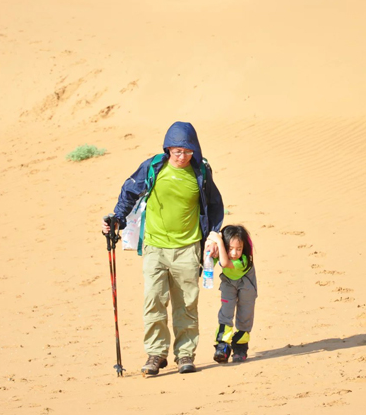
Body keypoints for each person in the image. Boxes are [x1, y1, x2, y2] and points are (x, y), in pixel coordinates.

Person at [102, 121, 224, 375]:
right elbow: (129, 192)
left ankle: (185, 355)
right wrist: (117, 219)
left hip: (188, 248)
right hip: (155, 247)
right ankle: (156, 354)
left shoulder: (201, 172)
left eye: (187, 151)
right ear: (168, 149)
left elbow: (214, 205)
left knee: (186, 303)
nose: (182, 156)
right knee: (154, 301)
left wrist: (213, 235)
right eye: (177, 151)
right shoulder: (154, 166)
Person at [206, 225, 257, 363]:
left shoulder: (243, 260)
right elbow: (211, 256)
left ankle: (240, 347)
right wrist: (212, 244)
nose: (234, 253)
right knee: (226, 313)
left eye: (239, 249)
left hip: (246, 285)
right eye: (230, 248)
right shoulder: (222, 250)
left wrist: (220, 242)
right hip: (228, 284)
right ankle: (223, 346)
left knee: (245, 315)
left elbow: (225, 262)